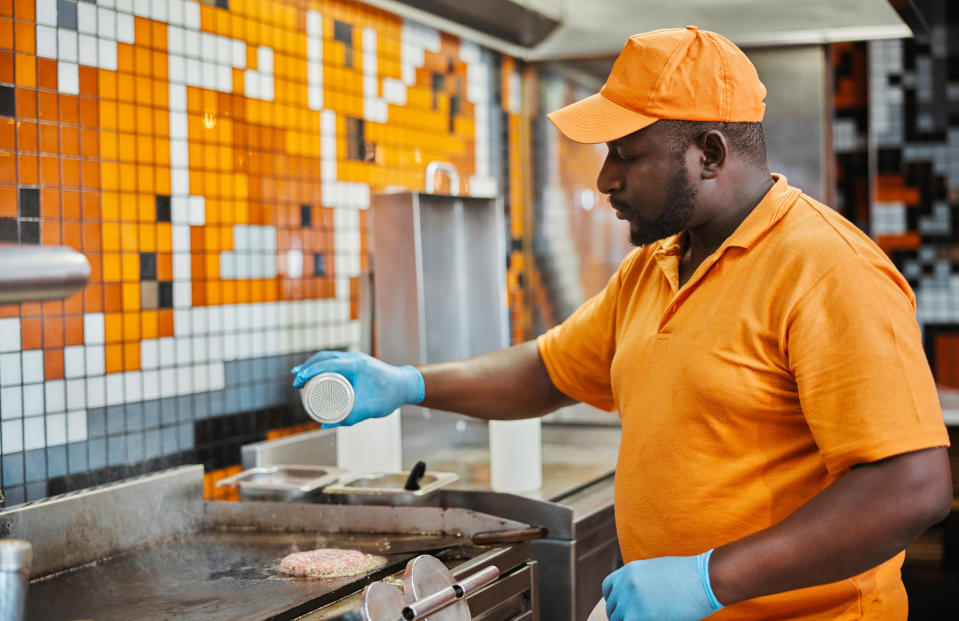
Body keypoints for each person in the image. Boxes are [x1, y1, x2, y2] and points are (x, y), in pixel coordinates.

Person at [292, 26, 953, 620]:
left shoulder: (825, 268)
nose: (605, 178)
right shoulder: (658, 265)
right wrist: (407, 382)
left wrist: (709, 579)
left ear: (709, 154)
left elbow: (911, 487)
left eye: (626, 154)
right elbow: (546, 368)